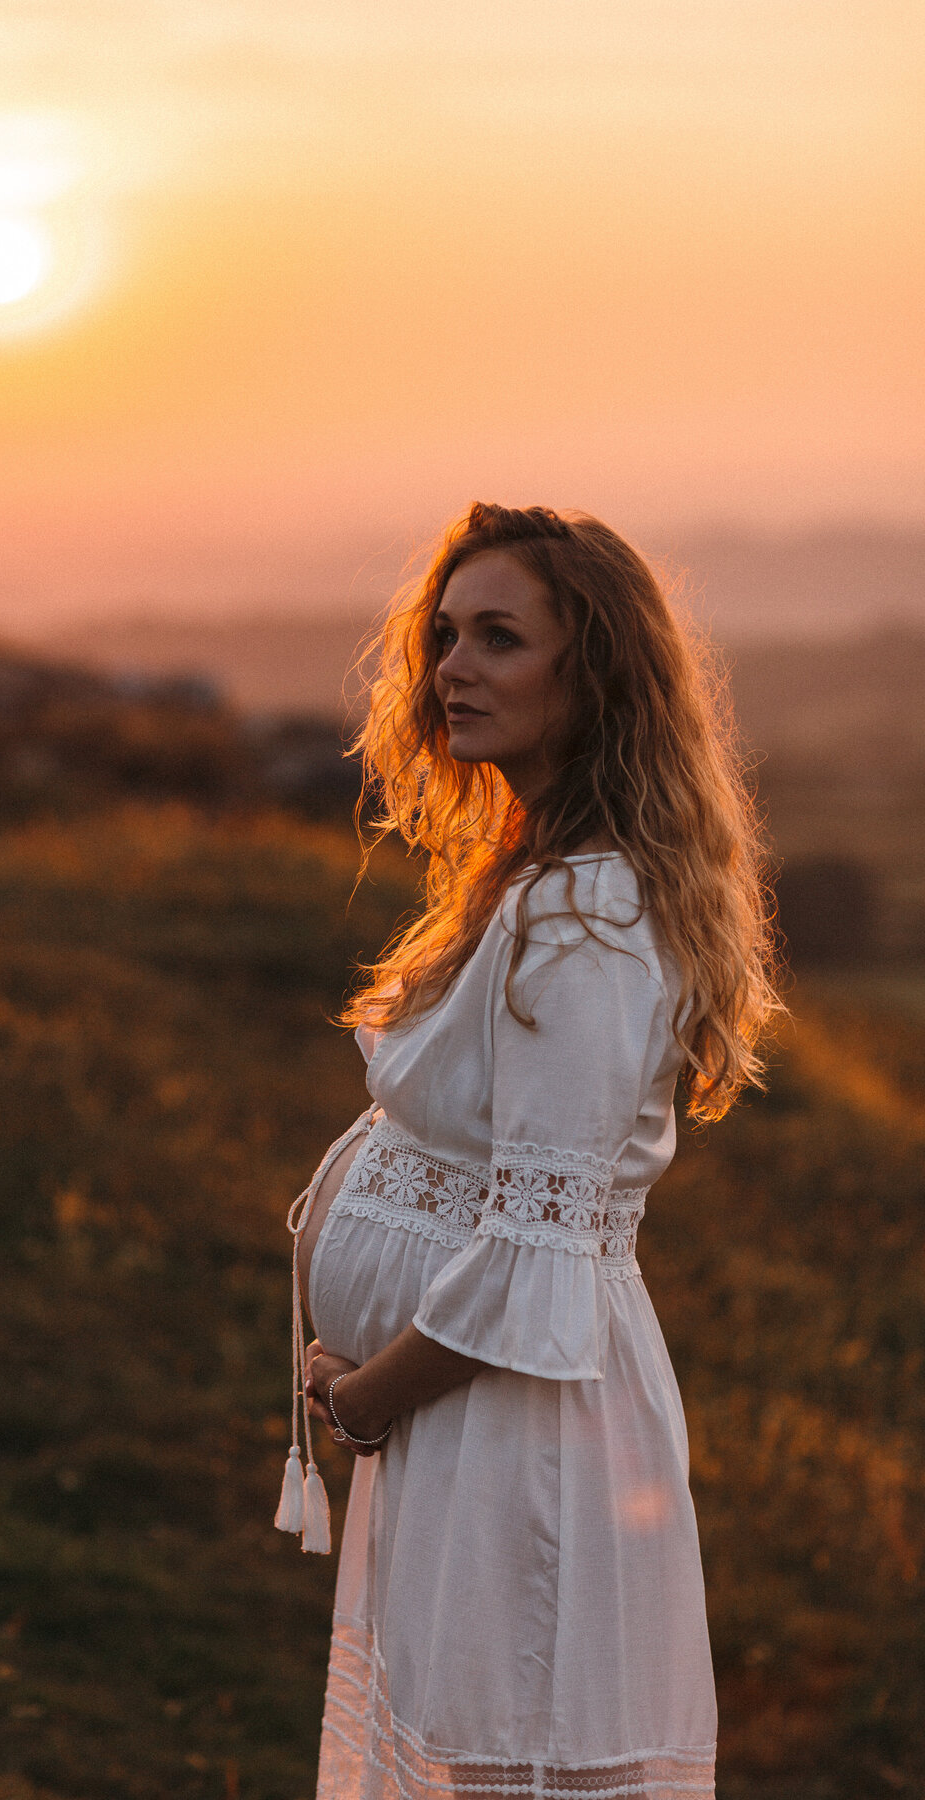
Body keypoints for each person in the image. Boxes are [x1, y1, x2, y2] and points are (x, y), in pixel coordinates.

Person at [275, 503, 781, 1800]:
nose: (452, 667)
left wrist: (373, 1392)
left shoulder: (590, 912)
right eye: (443, 635)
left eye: (499, 637)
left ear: (594, 672)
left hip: (519, 1425)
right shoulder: (528, 872)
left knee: (512, 1771)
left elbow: (538, 1242)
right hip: (469, 1415)